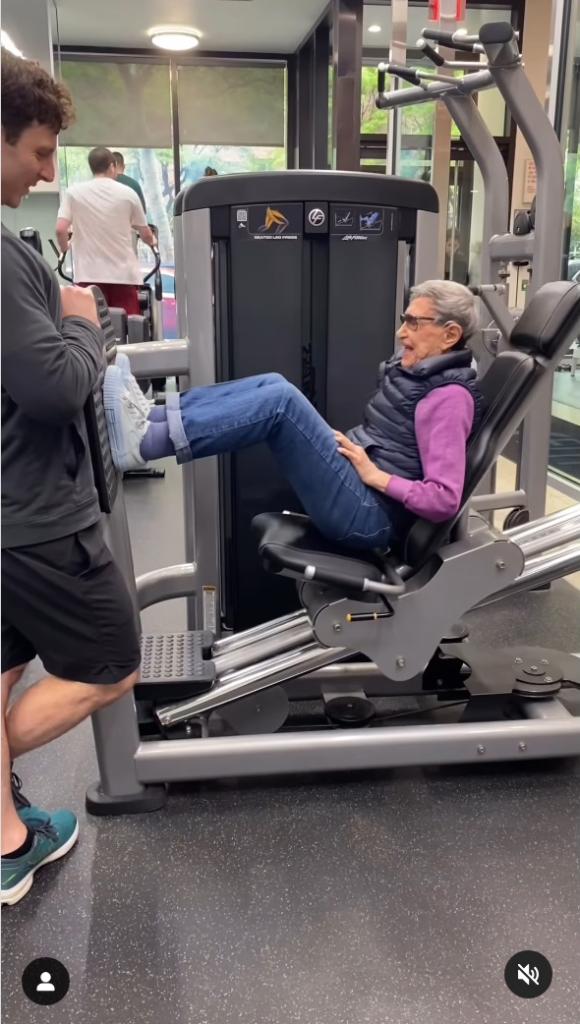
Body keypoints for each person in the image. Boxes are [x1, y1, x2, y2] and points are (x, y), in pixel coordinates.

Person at [1, 51, 141, 906]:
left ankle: (9, 841)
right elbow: (55, 386)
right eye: (42, 150)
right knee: (114, 662)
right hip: (38, 516)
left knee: (4, 668)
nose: (49, 170)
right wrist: (84, 326)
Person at [104, 281, 484, 551]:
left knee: (281, 402)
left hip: (371, 517)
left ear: (449, 336)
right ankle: (152, 418)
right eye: (406, 319)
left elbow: (445, 498)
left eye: (414, 323)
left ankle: (147, 442)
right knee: (273, 383)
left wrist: (377, 476)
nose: (402, 331)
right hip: (361, 490)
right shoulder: (421, 374)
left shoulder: (448, 398)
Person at [56, 146, 156, 316]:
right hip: (123, 276)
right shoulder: (128, 193)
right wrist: (154, 242)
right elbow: (145, 233)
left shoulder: (74, 193)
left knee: (89, 330)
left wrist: (65, 248)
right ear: (112, 165)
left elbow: (60, 229)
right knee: (129, 331)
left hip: (88, 275)